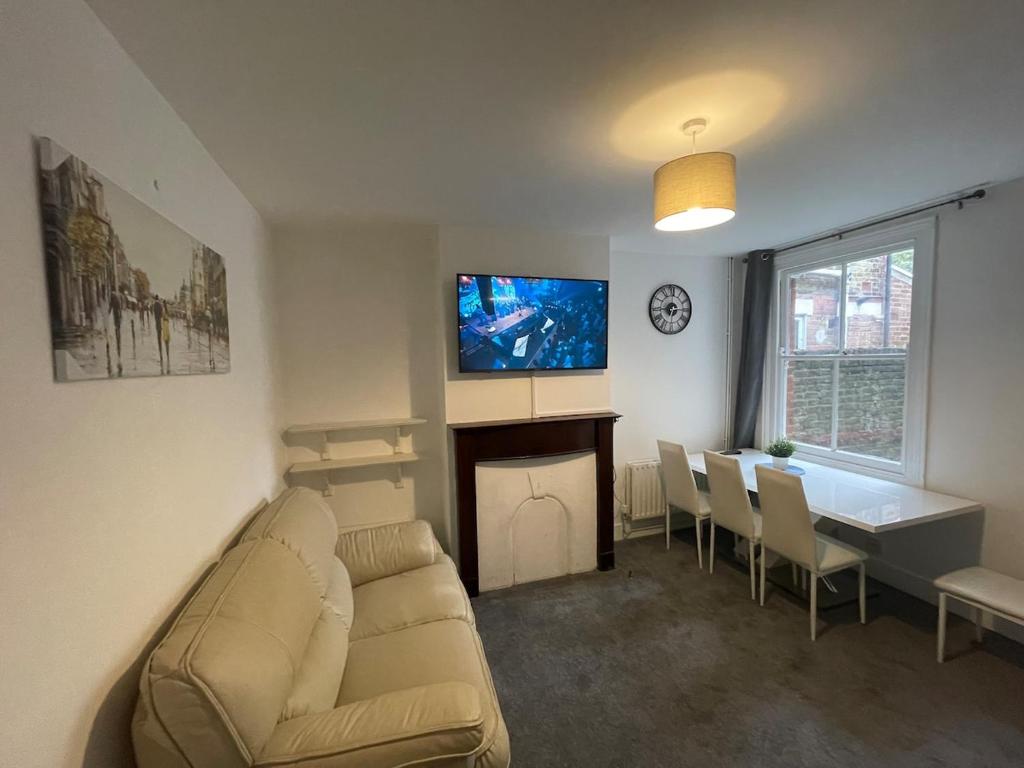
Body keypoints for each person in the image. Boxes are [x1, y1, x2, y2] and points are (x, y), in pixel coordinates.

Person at [109, 284, 124, 376]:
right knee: (118, 329)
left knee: (116, 329)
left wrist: (108, 312)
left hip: (116, 316)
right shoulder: (118, 296)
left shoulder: (113, 296)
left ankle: (117, 337)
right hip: (118, 315)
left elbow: (111, 306)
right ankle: (118, 337)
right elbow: (120, 308)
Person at [161, 301, 171, 374]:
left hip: (164, 324)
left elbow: (163, 317)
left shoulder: (163, 310)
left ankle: (167, 353)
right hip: (167, 324)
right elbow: (168, 318)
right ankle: (168, 353)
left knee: (165, 339)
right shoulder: (167, 310)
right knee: (167, 339)